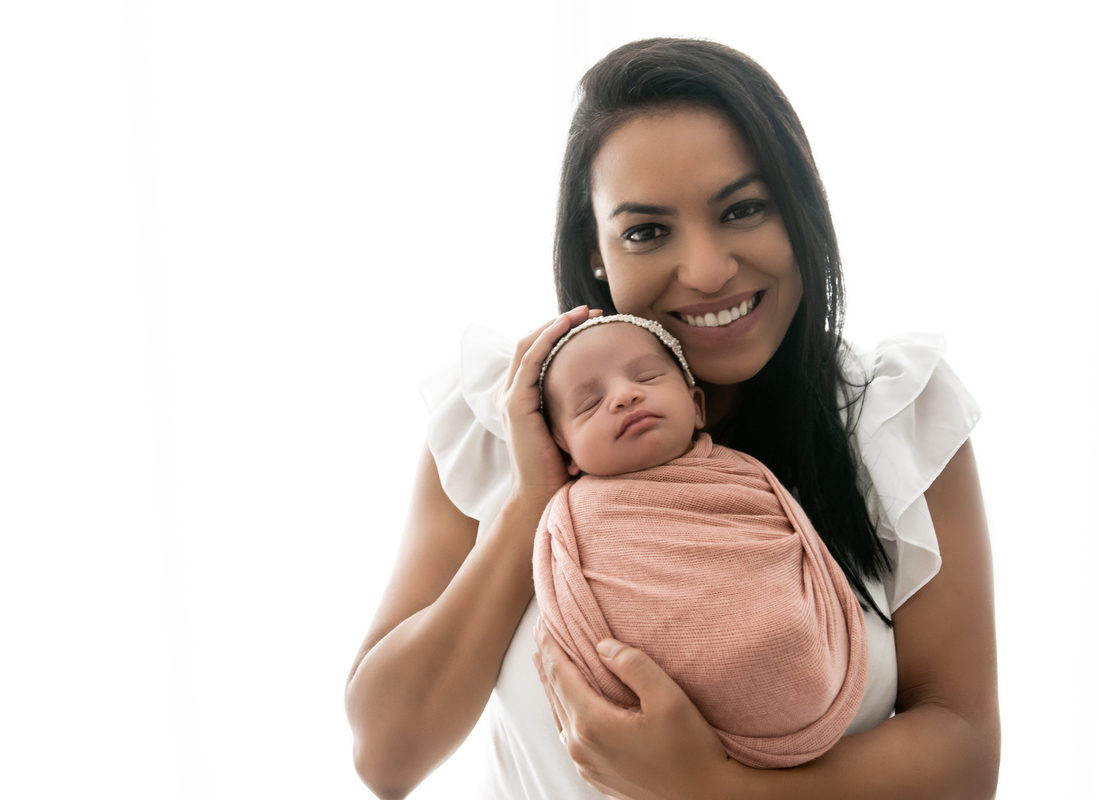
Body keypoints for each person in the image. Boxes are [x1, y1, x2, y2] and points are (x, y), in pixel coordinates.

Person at [345, 37, 999, 800]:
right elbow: (385, 758)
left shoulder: (895, 419)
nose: (707, 269)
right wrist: (535, 500)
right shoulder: (497, 420)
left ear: (800, 212)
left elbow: (964, 749)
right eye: (648, 231)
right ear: (595, 252)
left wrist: (714, 787)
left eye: (743, 209)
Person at [533, 313, 868, 769]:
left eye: (647, 376)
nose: (624, 396)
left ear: (696, 406)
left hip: (797, 659)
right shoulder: (575, 516)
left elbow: (785, 551)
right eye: (590, 404)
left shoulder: (743, 477)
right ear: (566, 451)